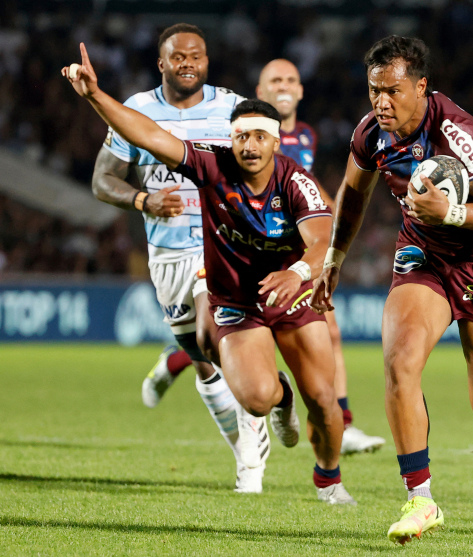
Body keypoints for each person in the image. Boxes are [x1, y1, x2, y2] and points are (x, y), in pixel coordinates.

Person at [66, 43, 355, 505]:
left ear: (276, 142)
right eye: (241, 137)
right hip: (238, 302)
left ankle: (329, 480)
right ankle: (280, 397)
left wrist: (298, 273)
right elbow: (149, 135)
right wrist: (95, 96)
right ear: (230, 139)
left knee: (322, 399)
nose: (249, 146)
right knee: (257, 398)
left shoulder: (295, 181)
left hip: (292, 295)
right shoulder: (211, 164)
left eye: (259, 137)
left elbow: (325, 241)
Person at [310, 35, 473, 543]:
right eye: (374, 90)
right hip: (424, 257)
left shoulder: (455, 131)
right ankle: (421, 499)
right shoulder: (371, 134)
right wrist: (334, 257)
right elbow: (353, 192)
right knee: (400, 362)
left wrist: (451, 212)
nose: (381, 102)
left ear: (421, 87)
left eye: (392, 91)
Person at [90, 23, 275, 493]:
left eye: (196, 56)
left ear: (207, 62)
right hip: (166, 253)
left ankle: (251, 462)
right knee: (201, 358)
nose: (188, 63)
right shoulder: (136, 110)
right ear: (162, 64)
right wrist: (143, 200)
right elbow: (102, 179)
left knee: (217, 334)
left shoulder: (232, 108)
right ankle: (246, 443)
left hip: (223, 244)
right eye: (178, 57)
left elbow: (266, 164)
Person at [257, 58, 385, 454]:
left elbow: (307, 189)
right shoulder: (252, 137)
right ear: (260, 92)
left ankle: (341, 425)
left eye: (290, 80)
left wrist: (338, 217)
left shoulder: (305, 136)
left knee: (330, 332)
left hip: (301, 255)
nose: (283, 86)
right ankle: (180, 359)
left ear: (300, 91)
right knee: (239, 343)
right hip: (259, 253)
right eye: (275, 80)